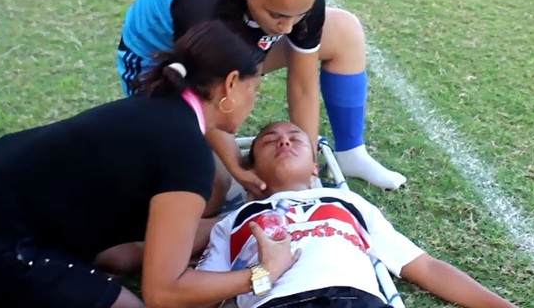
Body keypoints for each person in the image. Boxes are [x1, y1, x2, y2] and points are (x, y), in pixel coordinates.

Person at [0, 21, 299, 308]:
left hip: (3, 193)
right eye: (253, 88)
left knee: (112, 265)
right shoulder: (187, 151)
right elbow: (163, 292)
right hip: (2, 236)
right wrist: (263, 273)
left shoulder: (158, 105)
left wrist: (248, 216)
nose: (252, 100)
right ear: (231, 84)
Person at [116, 0, 406, 197]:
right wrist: (235, 166)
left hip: (235, 45)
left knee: (343, 30)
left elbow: (303, 85)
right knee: (209, 188)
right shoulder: (202, 7)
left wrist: (306, 167)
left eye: (299, 15)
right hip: (163, 65)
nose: (288, 28)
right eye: (277, 15)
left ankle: (351, 153)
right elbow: (204, 98)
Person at [196, 121, 517, 308]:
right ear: (250, 171)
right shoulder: (236, 219)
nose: (283, 140)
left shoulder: (348, 203)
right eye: (269, 141)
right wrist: (261, 275)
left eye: (296, 139)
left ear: (314, 167)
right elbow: (201, 291)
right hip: (279, 301)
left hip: (357, 299)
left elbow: (425, 267)